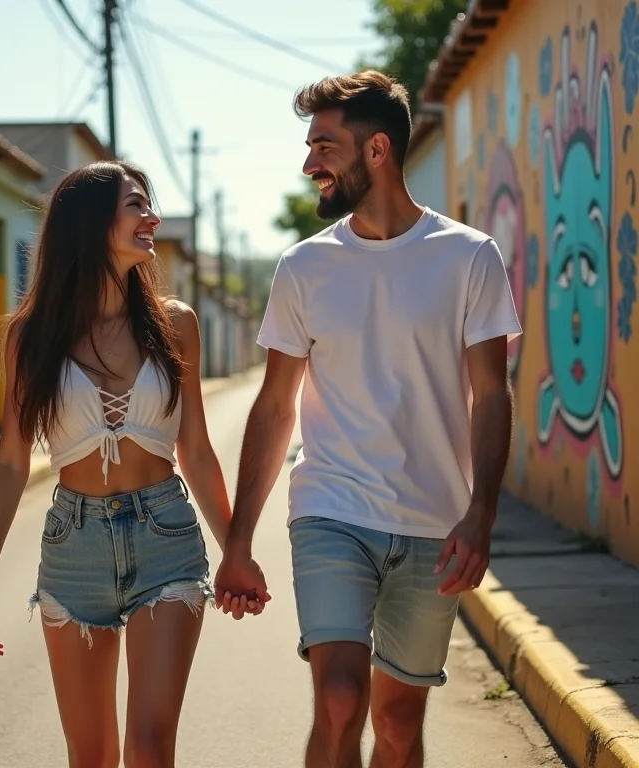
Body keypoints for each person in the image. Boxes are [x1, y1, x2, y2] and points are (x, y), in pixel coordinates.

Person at [215, 71, 522, 768]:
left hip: (432, 522)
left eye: (323, 146)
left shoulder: (469, 256)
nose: (309, 164)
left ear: (376, 149)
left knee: (399, 725)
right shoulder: (304, 267)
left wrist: (481, 513)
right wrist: (239, 540)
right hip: (332, 510)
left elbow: (490, 391)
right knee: (340, 698)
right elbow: (274, 406)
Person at [0, 160, 245, 768]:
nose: (153, 219)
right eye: (136, 205)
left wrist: (237, 550)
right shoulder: (31, 336)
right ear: (91, 223)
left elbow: (196, 449)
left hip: (165, 537)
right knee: (90, 755)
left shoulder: (175, 323)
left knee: (149, 747)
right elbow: (11, 461)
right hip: (75, 545)